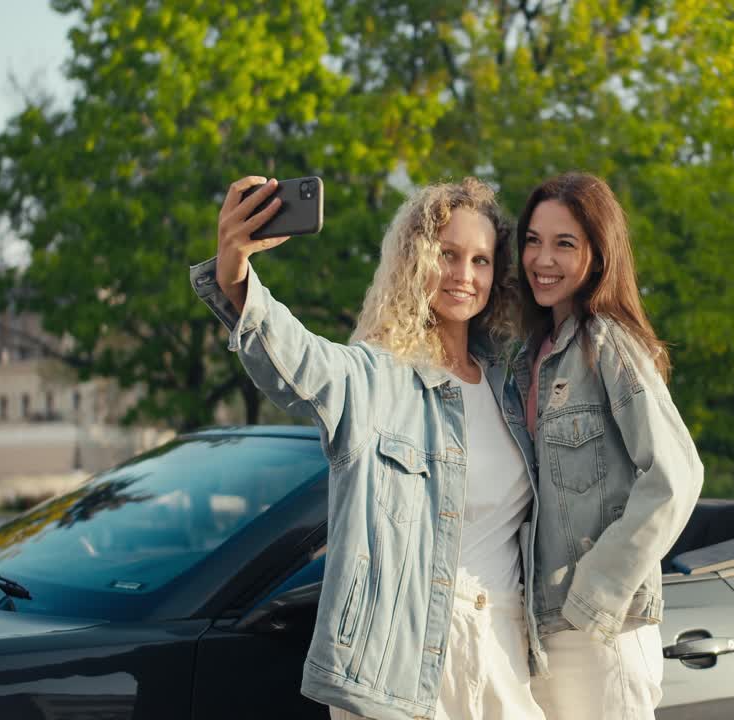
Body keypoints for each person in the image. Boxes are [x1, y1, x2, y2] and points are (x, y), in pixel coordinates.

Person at [190, 176, 546, 720]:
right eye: (447, 254)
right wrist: (235, 276)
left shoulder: (511, 387)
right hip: (402, 665)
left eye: (481, 260)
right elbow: (300, 362)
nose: (464, 275)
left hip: (502, 648)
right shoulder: (376, 377)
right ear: (415, 261)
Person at [513, 172, 704, 719]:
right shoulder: (531, 356)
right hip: (546, 630)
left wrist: (596, 590)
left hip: (602, 632)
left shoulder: (608, 343)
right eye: (533, 241)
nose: (543, 259)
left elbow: (676, 475)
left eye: (564, 244)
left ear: (598, 256)